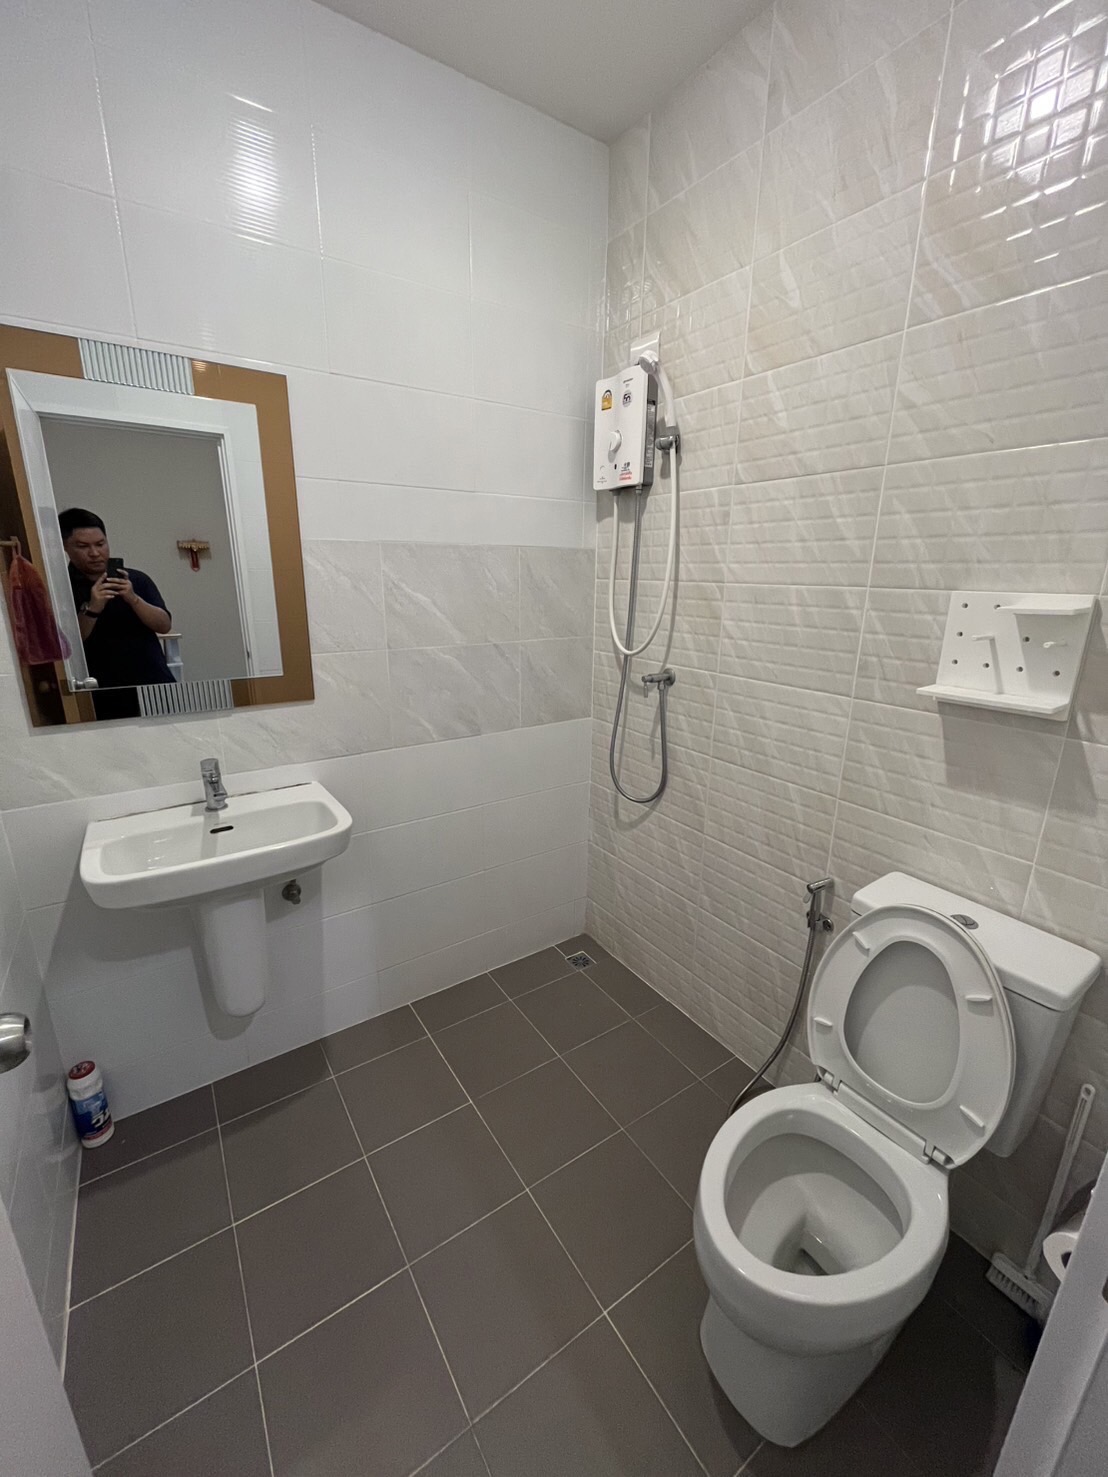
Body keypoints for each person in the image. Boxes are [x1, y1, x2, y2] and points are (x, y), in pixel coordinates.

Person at [59, 507, 175, 720]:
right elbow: (69, 644)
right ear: (65, 546)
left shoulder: (137, 580)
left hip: (154, 685)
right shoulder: (61, 588)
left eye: (100, 544)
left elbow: (164, 625)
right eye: (83, 546)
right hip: (101, 692)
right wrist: (93, 608)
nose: (95, 553)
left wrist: (133, 599)